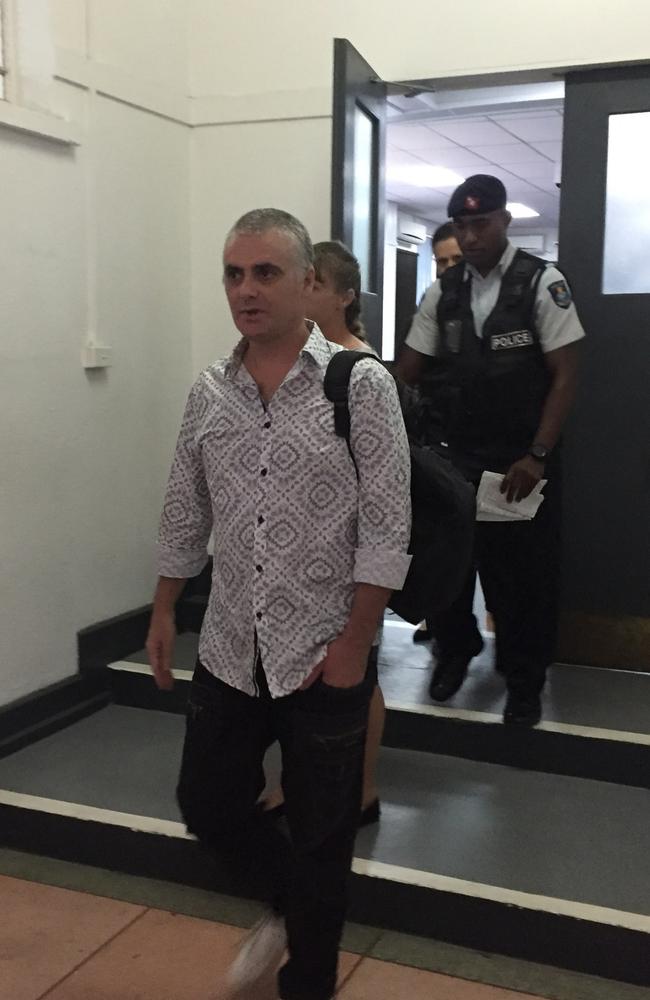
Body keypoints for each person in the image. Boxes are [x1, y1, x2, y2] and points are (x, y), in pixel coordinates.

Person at [146, 209, 411, 1000]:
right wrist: (163, 608)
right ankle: (285, 900)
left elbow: (389, 524)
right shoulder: (209, 392)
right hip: (230, 644)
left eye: (265, 273)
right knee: (206, 801)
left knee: (326, 839)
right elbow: (184, 510)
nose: (246, 290)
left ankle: (308, 980)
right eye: (234, 273)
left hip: (323, 655)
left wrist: (356, 647)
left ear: (307, 284)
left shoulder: (359, 385)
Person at [397, 174, 585, 727]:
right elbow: (409, 369)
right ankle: (455, 650)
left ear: (504, 220)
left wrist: (539, 454)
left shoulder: (540, 283)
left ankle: (524, 680)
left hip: (518, 462)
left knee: (522, 579)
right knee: (449, 567)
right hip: (456, 457)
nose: (472, 235)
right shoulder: (445, 291)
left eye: (481, 223)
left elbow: (566, 377)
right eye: (462, 225)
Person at [261, 239, 385, 827]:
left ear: (342, 296)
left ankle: (361, 789)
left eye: (314, 285)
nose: (302, 294)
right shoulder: (293, 364)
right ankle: (300, 782)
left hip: (352, 557)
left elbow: (382, 488)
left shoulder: (362, 370)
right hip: (297, 558)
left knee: (363, 674)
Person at [413, 222, 464, 644]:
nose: (447, 269)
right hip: (439, 441)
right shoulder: (430, 306)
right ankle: (445, 631)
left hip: (490, 448)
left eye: (456, 261)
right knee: (444, 547)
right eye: (441, 261)